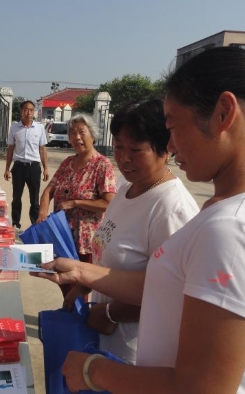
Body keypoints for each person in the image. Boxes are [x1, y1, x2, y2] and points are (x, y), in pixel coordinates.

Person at [34, 42, 245, 393]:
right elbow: (165, 286)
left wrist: (93, 370)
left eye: (173, 125)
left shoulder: (235, 231)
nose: (170, 145)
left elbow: (198, 388)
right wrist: (83, 272)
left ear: (223, 114)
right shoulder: (242, 212)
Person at [87, 99, 198, 364]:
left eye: (136, 150)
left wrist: (111, 313)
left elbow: (174, 291)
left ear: (165, 149)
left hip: (137, 353)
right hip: (106, 341)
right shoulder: (126, 188)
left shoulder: (172, 208)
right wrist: (84, 285)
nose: (124, 158)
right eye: (118, 147)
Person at [36, 113, 117, 296]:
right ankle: (69, 313)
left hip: (85, 241)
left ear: (92, 135)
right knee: (64, 284)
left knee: (80, 288)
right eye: (72, 133)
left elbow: (108, 203)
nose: (76, 137)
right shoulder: (68, 163)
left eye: (81, 132)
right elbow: (49, 190)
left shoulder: (102, 165)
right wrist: (42, 213)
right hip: (62, 235)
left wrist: (75, 203)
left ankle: (79, 313)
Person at [4, 100, 49, 230]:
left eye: (31, 110)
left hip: (34, 167)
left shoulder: (39, 128)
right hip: (18, 167)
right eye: (26, 109)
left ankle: (35, 224)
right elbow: (10, 149)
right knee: (16, 197)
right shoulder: (14, 128)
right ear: (21, 111)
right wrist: (7, 168)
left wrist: (46, 168)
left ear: (34, 112)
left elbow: (42, 149)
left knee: (34, 199)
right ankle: (15, 223)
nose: (28, 112)